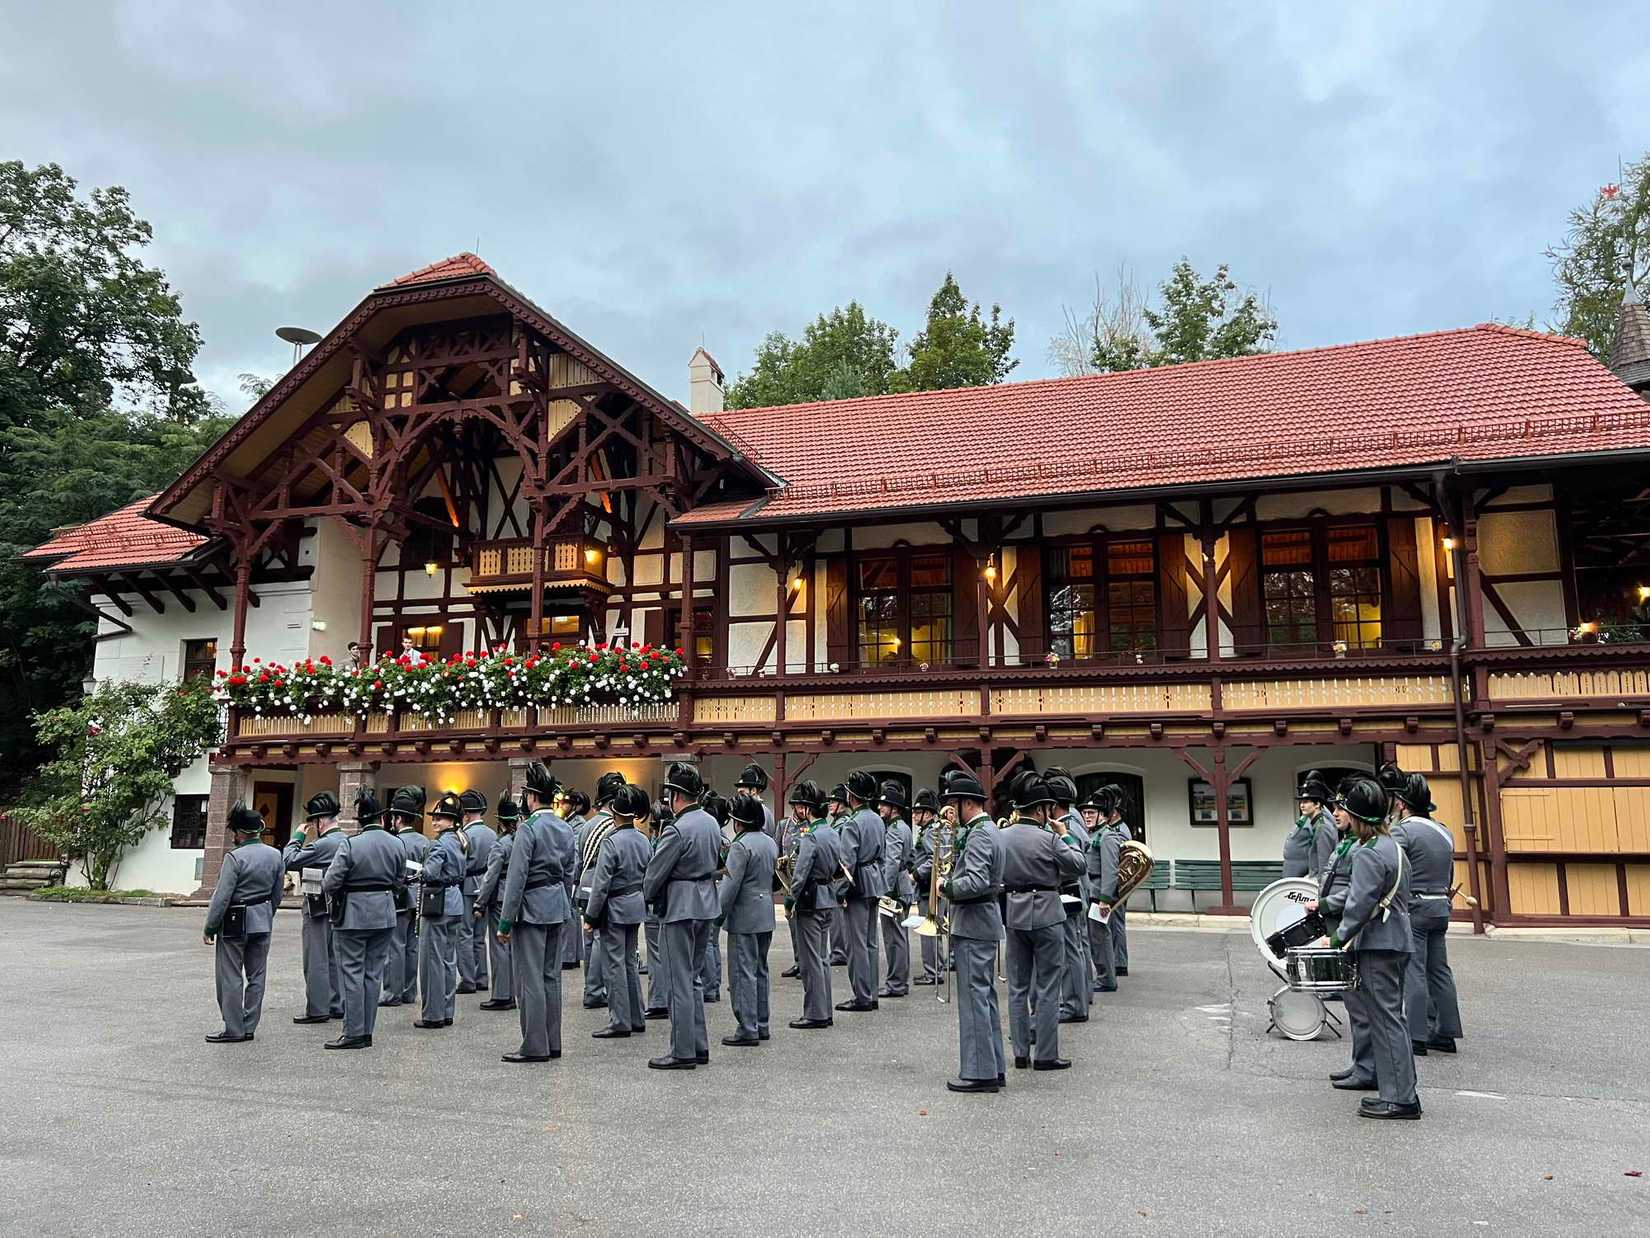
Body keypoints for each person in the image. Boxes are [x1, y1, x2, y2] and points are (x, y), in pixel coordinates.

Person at [1325, 777, 1421, 1120]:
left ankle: (1401, 1098)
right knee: (1391, 1018)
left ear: (1356, 815)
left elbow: (1359, 901)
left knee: (1385, 1020)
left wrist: (1338, 937)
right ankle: (1395, 1088)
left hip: (1377, 944)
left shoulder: (1368, 853)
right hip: (1396, 938)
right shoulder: (1392, 845)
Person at [998, 774, 1084, 1072]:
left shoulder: (1002, 835)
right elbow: (1079, 865)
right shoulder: (1050, 838)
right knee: (1048, 986)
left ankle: (1020, 1053)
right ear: (1040, 810)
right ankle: (1046, 1054)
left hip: (1015, 913)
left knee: (1018, 988)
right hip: (1047, 913)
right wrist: (1066, 836)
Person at [642, 761, 720, 1070]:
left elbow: (654, 875)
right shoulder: (712, 823)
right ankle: (698, 1045)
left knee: (679, 981)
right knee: (695, 978)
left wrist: (648, 893)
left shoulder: (676, 829)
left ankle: (682, 1050)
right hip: (705, 903)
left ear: (676, 796)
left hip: (680, 907)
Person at [497, 762, 576, 1063]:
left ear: (530, 797)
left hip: (531, 908)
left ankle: (533, 1045)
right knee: (550, 978)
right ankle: (552, 1042)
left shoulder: (528, 829)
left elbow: (516, 879)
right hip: (557, 905)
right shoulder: (565, 827)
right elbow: (570, 872)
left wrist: (505, 922)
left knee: (529, 979)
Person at [320, 787, 405, 1049]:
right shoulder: (396, 843)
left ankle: (354, 1031)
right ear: (381, 819)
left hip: (353, 915)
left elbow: (330, 882)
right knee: (373, 973)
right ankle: (367, 1030)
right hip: (384, 913)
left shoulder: (350, 843)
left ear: (361, 821)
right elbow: (400, 881)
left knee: (352, 973)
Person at [941, 767, 1006, 1094]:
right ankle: (993, 1066)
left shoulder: (980, 833)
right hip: (982, 920)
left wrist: (946, 885)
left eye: (954, 803)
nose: (951, 810)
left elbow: (977, 881)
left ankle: (980, 1072)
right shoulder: (989, 830)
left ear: (967, 803)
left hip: (974, 921)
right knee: (985, 997)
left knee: (974, 999)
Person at [1392, 772, 1464, 1056]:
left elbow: (1393, 869)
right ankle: (1446, 1032)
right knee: (1439, 970)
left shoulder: (1403, 831)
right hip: (1440, 905)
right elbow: (1449, 873)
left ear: (1401, 804)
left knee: (1414, 971)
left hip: (1415, 906)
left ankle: (1416, 1035)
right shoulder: (1445, 831)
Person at [203, 802, 283, 1043]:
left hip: (235, 921)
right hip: (262, 919)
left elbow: (222, 896)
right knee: (257, 976)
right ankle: (249, 1025)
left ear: (239, 832)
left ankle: (234, 1028)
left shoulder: (234, 858)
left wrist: (211, 926)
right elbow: (277, 893)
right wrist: (267, 914)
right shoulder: (275, 854)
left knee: (230, 975)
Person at [1313, 782, 1373, 1089]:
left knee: (1359, 1002)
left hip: (1347, 926)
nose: (1335, 813)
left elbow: (1354, 891)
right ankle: (1360, 1063)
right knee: (1353, 1002)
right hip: (1337, 921)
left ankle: (1367, 1069)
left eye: (1340, 809)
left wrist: (1324, 903)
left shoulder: (1360, 847)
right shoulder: (1347, 842)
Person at [585, 783, 652, 1040]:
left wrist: (591, 916)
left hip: (614, 906)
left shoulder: (611, 842)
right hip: (636, 904)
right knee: (629, 962)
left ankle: (620, 1020)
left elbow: (601, 884)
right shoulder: (643, 839)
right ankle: (637, 1015)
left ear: (615, 812)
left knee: (613, 966)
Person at [719, 791, 779, 1046]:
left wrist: (716, 915)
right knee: (761, 970)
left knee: (743, 973)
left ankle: (747, 1026)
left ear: (738, 821)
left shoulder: (740, 846)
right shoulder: (769, 842)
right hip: (765, 914)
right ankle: (762, 1023)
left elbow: (730, 887)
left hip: (744, 916)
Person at [284, 791, 347, 1024]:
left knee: (316, 958)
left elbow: (288, 860)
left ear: (320, 821)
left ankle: (318, 1008)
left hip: (318, 906)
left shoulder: (323, 844)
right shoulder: (346, 839)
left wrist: (298, 836)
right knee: (335, 956)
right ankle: (336, 1003)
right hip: (340, 906)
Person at [413, 791, 469, 1030]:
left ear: (453, 820)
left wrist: (417, 871)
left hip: (438, 901)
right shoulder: (461, 839)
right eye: (435, 817)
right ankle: (446, 1010)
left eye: (441, 817)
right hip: (455, 900)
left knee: (431, 961)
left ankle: (433, 1014)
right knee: (448, 960)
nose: (435, 821)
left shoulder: (438, 843)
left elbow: (431, 873)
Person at [785, 780, 839, 1028]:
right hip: (828, 895)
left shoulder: (812, 836)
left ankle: (815, 1013)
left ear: (807, 810)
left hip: (811, 899)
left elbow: (801, 873)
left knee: (810, 961)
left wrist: (790, 897)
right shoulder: (832, 832)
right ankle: (824, 1010)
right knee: (823, 958)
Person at [835, 769, 887, 1014]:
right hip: (875, 880)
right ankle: (872, 993)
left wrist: (840, 892)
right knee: (870, 942)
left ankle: (862, 996)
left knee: (856, 945)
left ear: (852, 796)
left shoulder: (852, 823)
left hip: (858, 883)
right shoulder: (877, 819)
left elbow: (847, 864)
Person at [575, 772, 626, 1006]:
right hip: (600, 885)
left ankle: (590, 986)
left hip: (585, 883)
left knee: (588, 939)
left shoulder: (588, 825)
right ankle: (595, 990)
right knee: (597, 938)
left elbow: (578, 859)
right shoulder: (611, 826)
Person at [1045, 768, 1091, 1024]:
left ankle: (1074, 1004)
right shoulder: (1071, 822)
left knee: (1071, 949)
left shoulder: (1069, 826)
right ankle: (1078, 1000)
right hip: (1072, 890)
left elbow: (1074, 857)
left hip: (1069, 890)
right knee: (1074, 947)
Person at [474, 793, 520, 1013]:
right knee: (513, 947)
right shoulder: (522, 840)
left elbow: (490, 877)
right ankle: (513, 991)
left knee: (499, 947)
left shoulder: (500, 845)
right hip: (518, 896)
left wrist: (479, 903)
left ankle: (502, 994)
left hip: (500, 897)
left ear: (500, 821)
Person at [385, 786, 430, 1008]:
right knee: (413, 946)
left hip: (400, 896)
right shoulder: (425, 841)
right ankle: (409, 991)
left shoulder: (394, 841)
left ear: (399, 819)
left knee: (395, 945)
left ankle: (393, 992)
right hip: (420, 897)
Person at [876, 781, 914, 1000]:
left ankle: (896, 983)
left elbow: (891, 862)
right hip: (902, 886)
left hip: (895, 890)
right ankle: (899, 981)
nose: (881, 808)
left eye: (885, 805)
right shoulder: (905, 827)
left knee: (894, 938)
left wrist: (886, 890)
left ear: (895, 808)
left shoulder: (893, 830)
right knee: (899, 937)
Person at [1085, 786, 1126, 994]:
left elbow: (1110, 871)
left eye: (1091, 813)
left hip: (1098, 894)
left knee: (1100, 938)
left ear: (1103, 815)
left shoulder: (1107, 837)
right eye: (1085, 813)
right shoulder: (1095, 834)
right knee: (1095, 938)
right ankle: (1103, 976)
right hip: (1090, 892)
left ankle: (1107, 979)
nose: (1087, 816)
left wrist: (1104, 899)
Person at [456, 789, 496, 995]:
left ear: (466, 815)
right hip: (486, 886)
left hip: (467, 887)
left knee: (464, 933)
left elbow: (460, 865)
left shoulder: (463, 835)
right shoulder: (492, 834)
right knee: (480, 936)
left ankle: (468, 979)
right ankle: (482, 977)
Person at [909, 788, 949, 985]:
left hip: (928, 888)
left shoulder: (930, 833)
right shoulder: (931, 830)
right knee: (933, 931)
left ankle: (932, 972)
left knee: (930, 931)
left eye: (919, 812)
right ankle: (935, 969)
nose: (915, 815)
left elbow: (936, 859)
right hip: (931, 888)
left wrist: (915, 874)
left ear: (929, 814)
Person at [642, 796, 673, 1021]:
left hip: (657, 903)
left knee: (656, 956)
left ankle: (659, 1000)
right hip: (669, 903)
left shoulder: (660, 842)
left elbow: (652, 873)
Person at [699, 792, 731, 1004]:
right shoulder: (723, 837)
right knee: (713, 942)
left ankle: (710, 986)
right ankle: (714, 983)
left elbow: (717, 869)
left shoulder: (714, 837)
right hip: (718, 888)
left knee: (708, 942)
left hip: (713, 888)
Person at [778, 783, 811, 979]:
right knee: (792, 924)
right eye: (798, 806)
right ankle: (798, 960)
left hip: (805, 880)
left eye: (803, 806)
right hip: (788, 880)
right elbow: (777, 849)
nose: (801, 810)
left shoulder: (810, 825)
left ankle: (807, 962)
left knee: (806, 924)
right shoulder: (784, 825)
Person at [1284, 770, 1338, 879]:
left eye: (1306, 802)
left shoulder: (1322, 827)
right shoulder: (1316, 824)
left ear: (1317, 804)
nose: (1302, 805)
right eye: (1301, 802)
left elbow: (1324, 863)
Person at [559, 789, 590, 971]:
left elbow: (576, 853)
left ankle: (569, 955)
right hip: (571, 872)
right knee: (571, 914)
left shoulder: (578, 824)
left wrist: (572, 877)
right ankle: (573, 954)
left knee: (570, 915)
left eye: (566, 802)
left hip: (572, 873)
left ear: (576, 806)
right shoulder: (568, 822)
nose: (562, 805)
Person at [825, 783, 852, 967]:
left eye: (833, 801)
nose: (830, 804)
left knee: (837, 917)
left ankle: (839, 951)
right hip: (837, 874)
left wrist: (841, 884)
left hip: (840, 874)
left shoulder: (844, 823)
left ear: (842, 804)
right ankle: (838, 950)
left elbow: (843, 854)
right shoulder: (838, 822)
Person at [733, 761, 780, 848]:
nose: (739, 796)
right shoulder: (763, 811)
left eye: (742, 792)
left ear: (753, 790)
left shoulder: (762, 812)